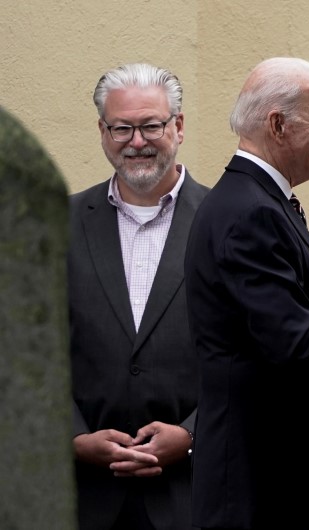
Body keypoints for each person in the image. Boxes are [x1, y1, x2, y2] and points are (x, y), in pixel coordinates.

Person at [183, 57, 309, 530]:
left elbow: (270, 325)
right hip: (258, 488)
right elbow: (293, 345)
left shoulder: (255, 201)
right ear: (278, 124)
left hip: (267, 484)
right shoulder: (251, 211)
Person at [69, 63, 208, 530]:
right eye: (121, 128)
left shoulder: (228, 221)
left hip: (194, 495)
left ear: (179, 126)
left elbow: (253, 354)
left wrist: (192, 434)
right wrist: (71, 437)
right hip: (81, 498)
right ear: (102, 131)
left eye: (151, 125)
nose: (136, 141)